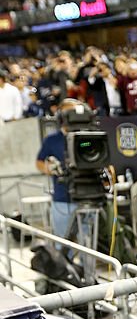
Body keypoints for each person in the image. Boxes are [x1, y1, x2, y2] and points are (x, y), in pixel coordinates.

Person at [35, 98, 82, 239]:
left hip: (86, 198)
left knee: (88, 244)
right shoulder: (52, 140)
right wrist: (51, 169)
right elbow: (39, 162)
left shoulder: (86, 138)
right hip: (62, 199)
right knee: (62, 243)